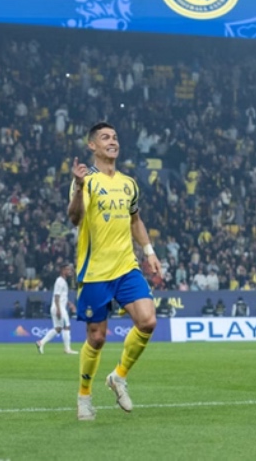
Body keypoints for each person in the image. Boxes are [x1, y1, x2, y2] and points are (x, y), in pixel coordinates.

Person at [68, 122, 162, 421]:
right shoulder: (86, 180)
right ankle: (84, 396)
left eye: (115, 137)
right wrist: (78, 187)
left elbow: (135, 220)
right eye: (105, 137)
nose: (112, 142)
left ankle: (118, 376)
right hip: (95, 271)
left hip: (126, 266)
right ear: (92, 145)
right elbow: (74, 218)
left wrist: (149, 252)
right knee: (97, 338)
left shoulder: (129, 183)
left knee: (148, 321)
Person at [35, 263, 78, 355]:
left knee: (58, 328)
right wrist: (58, 309)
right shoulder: (60, 281)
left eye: (69, 269)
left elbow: (62, 296)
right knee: (67, 326)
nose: (69, 271)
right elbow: (56, 296)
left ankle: (41, 343)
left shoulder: (63, 281)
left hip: (58, 306)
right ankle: (67, 349)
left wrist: (69, 304)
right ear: (62, 271)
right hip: (59, 307)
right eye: (67, 269)